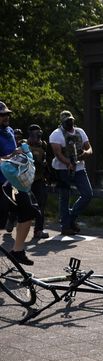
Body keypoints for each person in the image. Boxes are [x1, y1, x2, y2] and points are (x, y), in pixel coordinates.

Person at [0, 101, 37, 265]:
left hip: (13, 182)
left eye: (7, 114)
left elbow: (11, 157)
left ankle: (18, 251)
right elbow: (6, 157)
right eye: (2, 115)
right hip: (0, 184)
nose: (6, 117)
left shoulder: (8, 131)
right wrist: (11, 155)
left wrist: (22, 155)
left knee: (29, 212)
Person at [49, 110, 93, 236]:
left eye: (71, 120)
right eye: (67, 121)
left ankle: (71, 218)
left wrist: (87, 153)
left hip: (79, 168)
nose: (70, 123)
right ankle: (65, 226)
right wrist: (68, 163)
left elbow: (89, 148)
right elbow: (57, 154)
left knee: (87, 194)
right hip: (62, 169)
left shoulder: (80, 132)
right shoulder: (56, 134)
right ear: (62, 122)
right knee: (65, 196)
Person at [26, 125, 50, 240]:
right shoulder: (23, 145)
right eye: (35, 135)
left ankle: (38, 230)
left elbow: (46, 160)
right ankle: (11, 219)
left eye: (39, 135)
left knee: (41, 203)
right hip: (24, 180)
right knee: (23, 205)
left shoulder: (43, 145)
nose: (37, 138)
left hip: (38, 178)